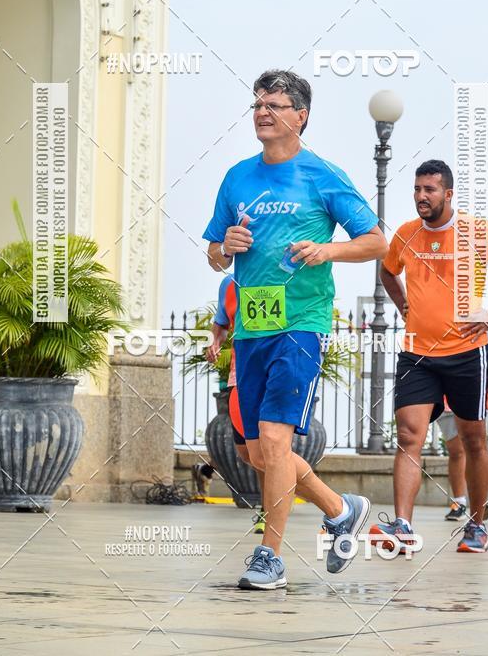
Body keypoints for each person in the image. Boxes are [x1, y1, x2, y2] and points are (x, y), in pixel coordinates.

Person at [203, 69, 387, 589]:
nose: (263, 112)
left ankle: (270, 558)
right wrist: (225, 248)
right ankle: (339, 508)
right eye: (258, 103)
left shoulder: (322, 175)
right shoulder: (237, 177)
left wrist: (328, 249)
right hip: (252, 326)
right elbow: (214, 253)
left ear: (300, 116)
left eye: (276, 105)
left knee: (277, 442)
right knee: (259, 452)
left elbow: (376, 241)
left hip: (301, 324)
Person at [371, 159, 488, 554]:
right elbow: (387, 270)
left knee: (473, 440)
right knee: (408, 436)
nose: (421, 197)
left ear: (448, 194)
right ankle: (402, 527)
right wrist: (403, 307)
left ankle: (477, 524)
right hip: (417, 353)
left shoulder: (475, 232)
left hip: (466, 353)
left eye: (429, 190)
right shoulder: (407, 235)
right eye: (417, 189)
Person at [207, 273, 266, 533]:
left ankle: (268, 509)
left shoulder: (274, 276)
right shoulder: (228, 284)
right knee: (248, 452)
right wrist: (215, 342)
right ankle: (337, 505)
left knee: (269, 447)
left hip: (271, 375)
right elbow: (220, 322)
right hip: (238, 376)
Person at [440, 329, 488, 522]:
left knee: (476, 449)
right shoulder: (441, 327)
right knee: (456, 451)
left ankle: (480, 502)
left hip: (475, 399)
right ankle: (459, 502)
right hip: (445, 401)